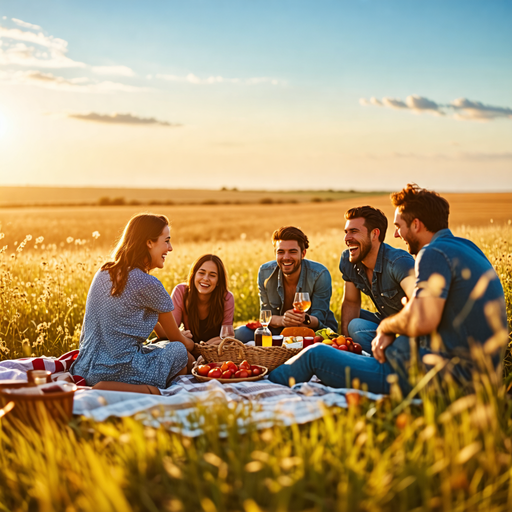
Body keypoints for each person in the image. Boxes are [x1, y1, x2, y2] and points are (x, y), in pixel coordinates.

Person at [269, 185, 507, 394]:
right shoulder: (467, 248)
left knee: (316, 355)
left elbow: (425, 318)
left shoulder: (431, 253)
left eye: (398, 226)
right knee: (351, 331)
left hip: (434, 375)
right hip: (475, 374)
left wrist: (387, 326)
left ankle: (267, 386)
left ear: (416, 224)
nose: (396, 234)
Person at [70, 213, 196, 393]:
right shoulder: (148, 284)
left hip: (84, 366)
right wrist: (193, 344)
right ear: (149, 242)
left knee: (163, 349)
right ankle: (137, 389)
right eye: (166, 241)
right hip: (114, 371)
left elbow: (162, 332)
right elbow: (176, 339)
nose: (170, 248)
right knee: (178, 351)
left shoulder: (105, 271)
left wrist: (174, 336)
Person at [235, 226, 338, 342]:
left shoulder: (320, 274)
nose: (286, 257)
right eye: (281, 252)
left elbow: (319, 319)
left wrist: (304, 319)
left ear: (303, 254)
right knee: (240, 333)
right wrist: (283, 320)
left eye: (292, 252)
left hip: (312, 331)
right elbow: (265, 316)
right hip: (279, 330)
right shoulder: (265, 272)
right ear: (275, 253)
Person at [340, 206, 415, 353]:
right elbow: (351, 302)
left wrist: (388, 330)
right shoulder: (348, 259)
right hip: (385, 321)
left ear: (375, 234)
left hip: (410, 330)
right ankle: (361, 357)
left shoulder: (398, 262)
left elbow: (420, 305)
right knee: (352, 322)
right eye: (346, 232)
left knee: (357, 327)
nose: (347, 238)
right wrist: (345, 344)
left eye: (354, 231)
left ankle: (386, 364)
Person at [162, 254, 234, 346]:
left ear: (218, 281)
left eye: (212, 275)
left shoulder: (226, 298)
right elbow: (171, 329)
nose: (205, 278)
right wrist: (180, 335)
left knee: (244, 334)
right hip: (189, 345)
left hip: (214, 348)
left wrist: (204, 348)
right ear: (194, 274)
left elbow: (226, 337)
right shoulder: (181, 292)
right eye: (201, 273)